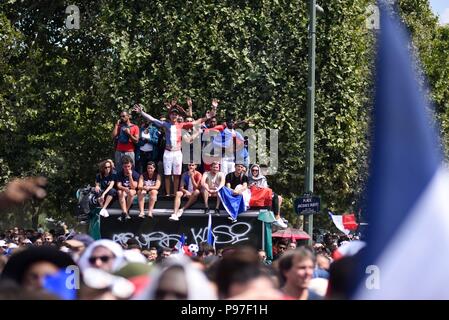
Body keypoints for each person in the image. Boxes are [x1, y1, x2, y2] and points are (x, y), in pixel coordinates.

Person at [133, 103, 214, 196]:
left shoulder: (182, 125)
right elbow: (153, 119)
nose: (174, 116)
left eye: (175, 114)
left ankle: (175, 193)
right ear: (170, 115)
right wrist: (142, 112)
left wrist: (206, 117)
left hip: (177, 152)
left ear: (178, 116)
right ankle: (168, 194)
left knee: (176, 174)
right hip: (168, 152)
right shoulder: (166, 124)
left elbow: (195, 122)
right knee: (167, 174)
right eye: (172, 114)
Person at [248, 164, 287, 228]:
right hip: (252, 195)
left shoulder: (262, 178)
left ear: (258, 171)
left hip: (261, 194)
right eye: (253, 170)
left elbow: (264, 188)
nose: (254, 172)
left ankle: (277, 217)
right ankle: (277, 218)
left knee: (277, 197)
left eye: (256, 170)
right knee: (275, 197)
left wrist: (257, 187)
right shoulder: (248, 178)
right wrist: (250, 186)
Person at [116, 155, 140, 221]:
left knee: (131, 192)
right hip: (124, 190)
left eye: (128, 166)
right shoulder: (119, 174)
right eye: (125, 167)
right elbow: (119, 185)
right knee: (120, 192)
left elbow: (133, 187)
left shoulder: (135, 174)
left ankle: (125, 212)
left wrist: (130, 176)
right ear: (122, 166)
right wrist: (124, 188)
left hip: (132, 191)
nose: (127, 168)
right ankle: (125, 212)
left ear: (131, 165)